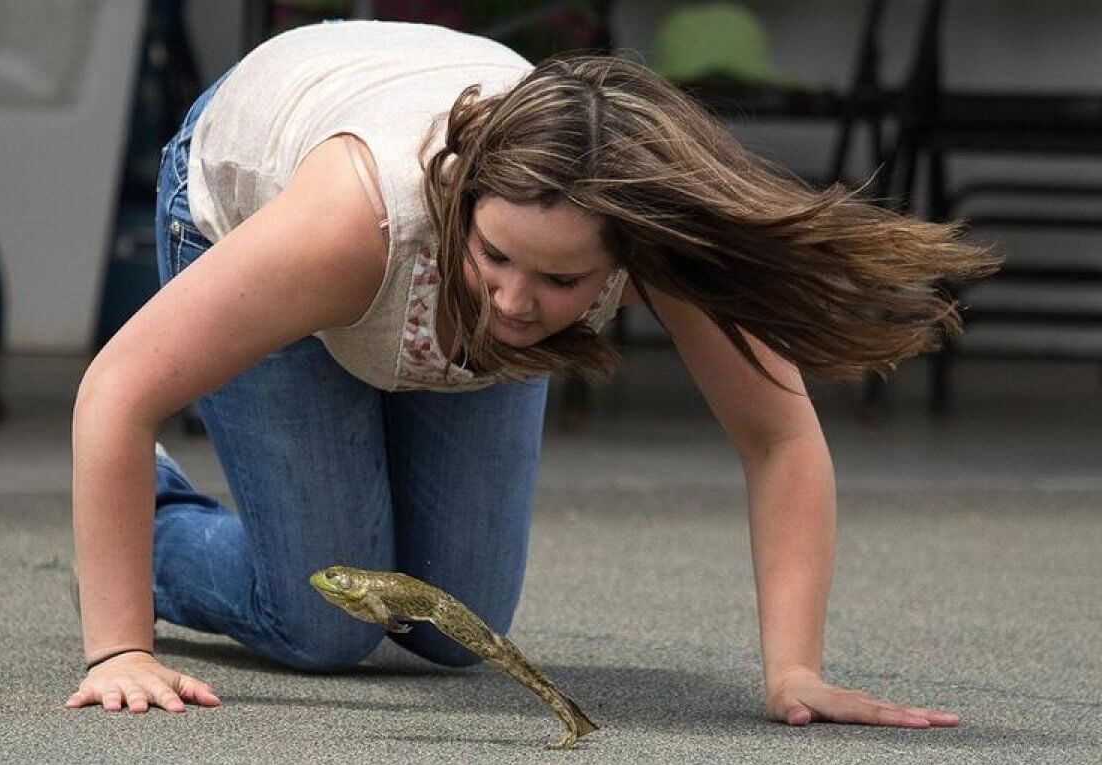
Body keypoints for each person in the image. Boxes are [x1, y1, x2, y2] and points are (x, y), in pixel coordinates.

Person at [65, 20, 996, 726]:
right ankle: (140, 513)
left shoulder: (653, 241)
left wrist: (795, 671)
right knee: (326, 624)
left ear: (623, 263)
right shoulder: (350, 223)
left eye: (563, 281)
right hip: (254, 181)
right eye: (498, 257)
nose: (515, 302)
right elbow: (117, 389)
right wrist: (118, 650)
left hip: (401, 224)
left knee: (452, 625)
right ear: (467, 197)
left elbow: (779, 436)